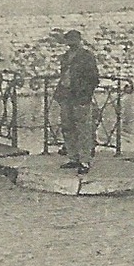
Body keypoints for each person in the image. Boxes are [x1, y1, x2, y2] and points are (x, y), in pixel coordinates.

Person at [54, 28, 100, 173]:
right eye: (69, 40)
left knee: (83, 128)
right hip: (66, 95)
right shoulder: (66, 56)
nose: (71, 43)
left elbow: (94, 78)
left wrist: (86, 94)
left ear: (79, 41)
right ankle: (73, 157)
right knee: (67, 127)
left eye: (74, 40)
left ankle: (84, 161)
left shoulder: (87, 56)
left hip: (80, 96)